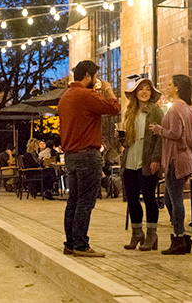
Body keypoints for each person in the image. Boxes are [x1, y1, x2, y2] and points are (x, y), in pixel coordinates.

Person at [58, 60, 120, 257]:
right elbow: (114, 108)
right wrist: (109, 90)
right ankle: (81, 244)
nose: (97, 80)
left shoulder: (65, 97)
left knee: (73, 200)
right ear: (87, 76)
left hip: (70, 156)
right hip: (87, 155)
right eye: (95, 77)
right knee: (85, 201)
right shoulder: (85, 95)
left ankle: (70, 243)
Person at [150, 74, 192, 255]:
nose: (167, 87)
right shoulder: (188, 108)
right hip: (185, 157)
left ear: (177, 87)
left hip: (176, 159)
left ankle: (179, 236)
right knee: (170, 198)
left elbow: (176, 133)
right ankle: (181, 236)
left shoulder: (176, 109)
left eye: (170, 85)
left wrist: (159, 130)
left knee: (176, 200)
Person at [120, 78, 163, 251]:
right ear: (135, 93)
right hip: (131, 158)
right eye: (141, 89)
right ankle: (137, 232)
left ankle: (152, 234)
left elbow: (161, 137)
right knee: (131, 198)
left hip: (147, 160)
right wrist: (121, 138)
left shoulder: (155, 111)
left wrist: (156, 158)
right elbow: (127, 140)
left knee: (149, 197)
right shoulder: (130, 112)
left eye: (148, 89)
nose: (145, 92)